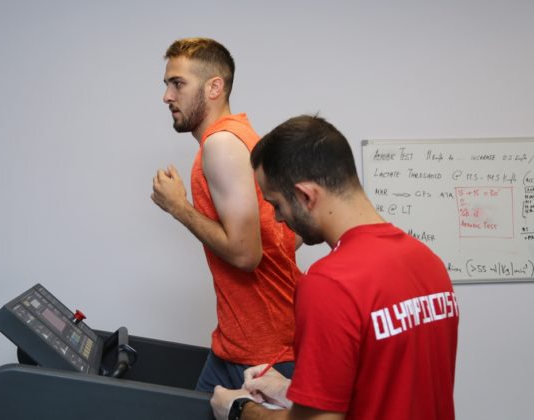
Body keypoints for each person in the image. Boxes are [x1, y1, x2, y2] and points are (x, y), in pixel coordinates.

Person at [211, 115, 459, 420]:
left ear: (305, 196)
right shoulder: (428, 262)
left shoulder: (329, 284)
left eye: (276, 204)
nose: (277, 218)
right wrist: (294, 389)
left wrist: (239, 409)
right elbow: (389, 383)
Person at [151, 38, 301, 392]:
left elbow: (247, 255)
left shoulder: (221, 145)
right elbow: (284, 236)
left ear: (214, 87)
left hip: (264, 352)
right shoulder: (243, 136)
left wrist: (178, 207)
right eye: (167, 84)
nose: (167, 96)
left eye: (178, 84)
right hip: (236, 343)